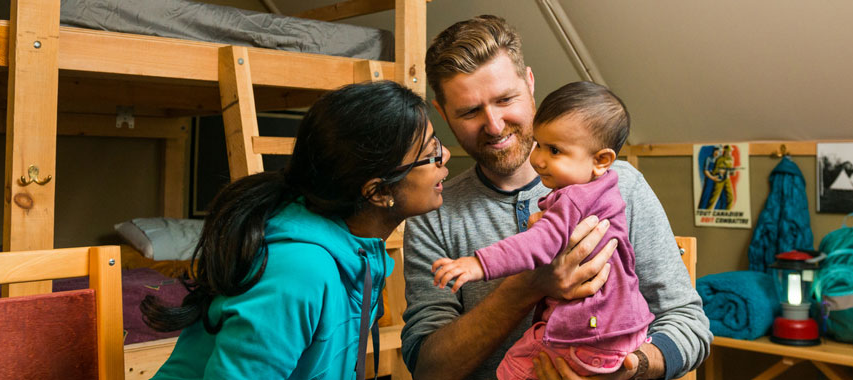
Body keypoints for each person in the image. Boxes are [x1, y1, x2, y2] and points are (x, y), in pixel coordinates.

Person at [402, 15, 711, 380]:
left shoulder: (621, 185)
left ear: (530, 84)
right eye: (470, 111)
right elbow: (429, 369)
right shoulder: (433, 213)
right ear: (442, 114)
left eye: (506, 99)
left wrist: (631, 368)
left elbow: (690, 325)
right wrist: (529, 285)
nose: (495, 125)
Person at [140, 80, 450, 380]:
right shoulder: (300, 271)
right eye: (430, 152)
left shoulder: (358, 255)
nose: (445, 156)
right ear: (378, 192)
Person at [430, 81, 655, 379]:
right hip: (625, 333)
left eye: (554, 150)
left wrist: (478, 264)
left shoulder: (574, 198)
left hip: (587, 336)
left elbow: (537, 243)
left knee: (513, 368)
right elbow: (428, 368)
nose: (538, 159)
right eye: (538, 144)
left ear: (601, 160)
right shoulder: (606, 189)